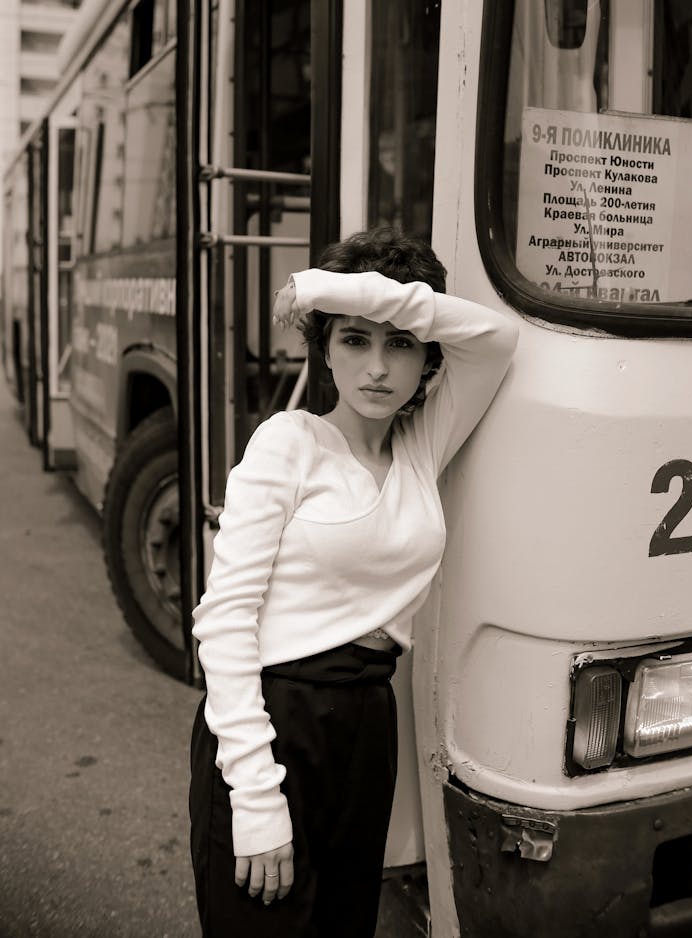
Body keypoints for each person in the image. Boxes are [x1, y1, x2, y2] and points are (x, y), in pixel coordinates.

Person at [189, 227, 519, 938]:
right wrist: (254, 796)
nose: (376, 368)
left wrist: (327, 290)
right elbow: (223, 620)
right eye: (353, 340)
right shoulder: (289, 443)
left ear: (428, 356)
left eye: (400, 343)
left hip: (369, 722)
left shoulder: (421, 445)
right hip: (276, 719)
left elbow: (495, 338)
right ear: (326, 348)